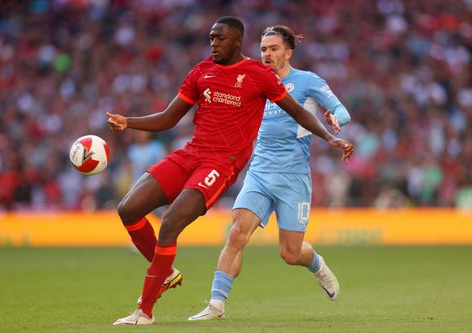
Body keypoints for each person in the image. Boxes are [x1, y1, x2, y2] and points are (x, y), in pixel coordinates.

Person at [107, 17, 354, 325]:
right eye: (211, 38)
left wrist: (332, 135)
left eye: (220, 38)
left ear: (238, 42)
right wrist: (128, 121)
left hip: (257, 170)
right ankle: (196, 292)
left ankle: (145, 310)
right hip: (224, 162)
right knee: (133, 210)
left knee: (289, 253)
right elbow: (169, 118)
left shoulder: (268, 77)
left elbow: (302, 111)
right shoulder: (202, 71)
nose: (213, 43)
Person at [188, 25, 352, 321]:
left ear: (288, 53)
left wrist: (333, 120)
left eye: (274, 48)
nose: (267, 54)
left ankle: (316, 264)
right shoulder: (252, 77)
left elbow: (342, 111)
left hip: (293, 177)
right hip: (260, 171)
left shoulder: (307, 81)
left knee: (290, 253)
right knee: (237, 233)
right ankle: (216, 304)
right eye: (263, 48)